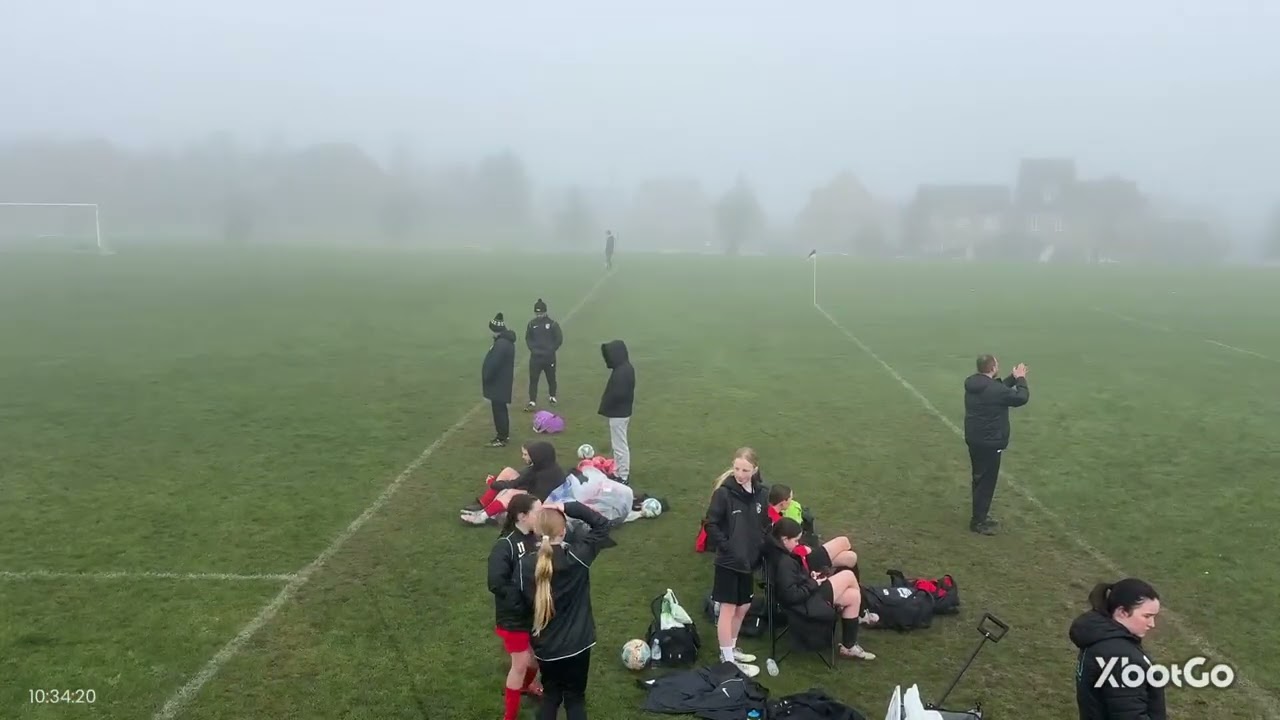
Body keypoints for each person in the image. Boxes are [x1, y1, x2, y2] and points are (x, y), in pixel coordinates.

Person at [517, 502, 612, 720]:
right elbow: (603, 525)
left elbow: (519, 605)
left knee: (551, 697)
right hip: (578, 644)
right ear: (563, 531)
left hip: (545, 645)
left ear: (536, 531)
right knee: (575, 698)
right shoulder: (577, 557)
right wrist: (568, 506)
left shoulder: (525, 565)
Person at [703, 447, 770, 677]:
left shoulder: (761, 494)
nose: (740, 474)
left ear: (755, 470)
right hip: (728, 562)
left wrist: (759, 547)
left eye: (745, 470)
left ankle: (731, 648)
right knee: (728, 609)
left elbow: (762, 524)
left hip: (748, 562)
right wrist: (727, 547)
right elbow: (710, 524)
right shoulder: (724, 494)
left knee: (744, 607)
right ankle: (728, 660)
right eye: (737, 469)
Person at [768, 518, 876, 660]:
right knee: (848, 576)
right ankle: (861, 614)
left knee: (853, 596)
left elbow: (793, 581)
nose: (798, 544)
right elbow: (791, 595)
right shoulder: (784, 561)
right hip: (805, 604)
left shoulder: (781, 553)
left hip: (807, 595)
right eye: (796, 540)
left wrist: (810, 577)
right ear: (784, 539)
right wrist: (813, 583)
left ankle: (848, 647)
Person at [1069, 579, 1165, 720]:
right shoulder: (1120, 657)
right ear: (1122, 612)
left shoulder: (1100, 638)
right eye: (1147, 616)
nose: (1152, 624)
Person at [487, 494, 545, 720]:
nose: (542, 516)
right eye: (537, 512)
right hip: (514, 617)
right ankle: (509, 716)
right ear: (522, 516)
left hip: (534, 612)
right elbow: (496, 583)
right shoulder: (505, 545)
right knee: (520, 664)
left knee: (538, 657)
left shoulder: (535, 538)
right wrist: (523, 600)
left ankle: (525, 687)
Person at [962, 354, 1029, 534]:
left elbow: (996, 390)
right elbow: (1022, 397)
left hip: (975, 439)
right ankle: (978, 522)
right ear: (992, 368)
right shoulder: (994, 390)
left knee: (979, 478)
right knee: (986, 482)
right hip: (990, 442)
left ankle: (980, 516)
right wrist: (1021, 379)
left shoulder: (973, 384)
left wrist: (1012, 378)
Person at [765, 484, 860, 579]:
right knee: (844, 541)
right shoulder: (776, 521)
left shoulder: (769, 515)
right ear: (783, 503)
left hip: (800, 558)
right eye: (790, 499)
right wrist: (805, 550)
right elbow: (786, 546)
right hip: (802, 560)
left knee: (851, 557)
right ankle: (842, 581)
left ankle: (848, 583)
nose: (792, 502)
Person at [462, 441, 568, 525]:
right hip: (536, 495)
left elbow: (539, 497)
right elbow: (519, 481)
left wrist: (517, 494)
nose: (526, 457)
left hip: (544, 506)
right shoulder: (542, 466)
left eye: (530, 455)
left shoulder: (549, 475)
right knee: (508, 478)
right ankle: (486, 510)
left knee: (510, 493)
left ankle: (483, 517)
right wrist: (495, 483)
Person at [598, 340, 635, 483]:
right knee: (618, 445)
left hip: (619, 413)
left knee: (620, 445)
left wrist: (608, 403)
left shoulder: (621, 372)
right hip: (621, 412)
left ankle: (623, 475)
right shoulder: (625, 368)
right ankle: (618, 471)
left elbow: (618, 393)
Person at [483, 312, 517, 447]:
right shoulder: (504, 342)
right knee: (500, 409)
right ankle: (503, 435)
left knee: (499, 411)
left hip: (499, 382)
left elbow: (494, 364)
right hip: (502, 381)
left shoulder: (501, 344)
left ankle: (502, 437)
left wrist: (487, 376)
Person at [525, 298, 563, 411]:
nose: (539, 315)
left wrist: (551, 350)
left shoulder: (552, 324)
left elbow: (559, 339)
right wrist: (533, 349)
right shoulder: (531, 324)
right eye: (537, 313)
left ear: (545, 312)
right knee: (533, 379)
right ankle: (532, 401)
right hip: (535, 358)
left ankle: (552, 397)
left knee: (551, 378)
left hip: (549, 358)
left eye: (541, 313)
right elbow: (528, 338)